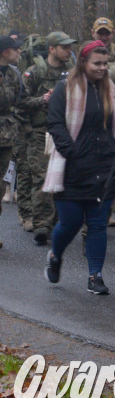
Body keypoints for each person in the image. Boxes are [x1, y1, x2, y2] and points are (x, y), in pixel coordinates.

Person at [42, 41, 115, 295]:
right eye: (97, 64)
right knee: (70, 222)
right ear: (83, 63)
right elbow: (55, 123)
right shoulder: (65, 88)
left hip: (105, 166)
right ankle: (56, 255)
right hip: (73, 167)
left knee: (98, 223)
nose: (102, 68)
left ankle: (95, 276)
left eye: (105, 64)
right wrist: (72, 152)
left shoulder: (112, 90)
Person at [20, 31, 76, 245]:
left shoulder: (72, 73)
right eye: (64, 47)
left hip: (65, 131)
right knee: (42, 177)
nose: (69, 51)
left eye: (70, 47)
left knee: (63, 177)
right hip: (39, 132)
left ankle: (56, 221)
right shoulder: (34, 72)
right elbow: (21, 102)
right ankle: (42, 223)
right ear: (52, 49)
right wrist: (42, 100)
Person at [0, 36, 22, 249]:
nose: (18, 53)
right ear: (5, 51)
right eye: (16, 49)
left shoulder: (14, 75)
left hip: (6, 136)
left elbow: (17, 100)